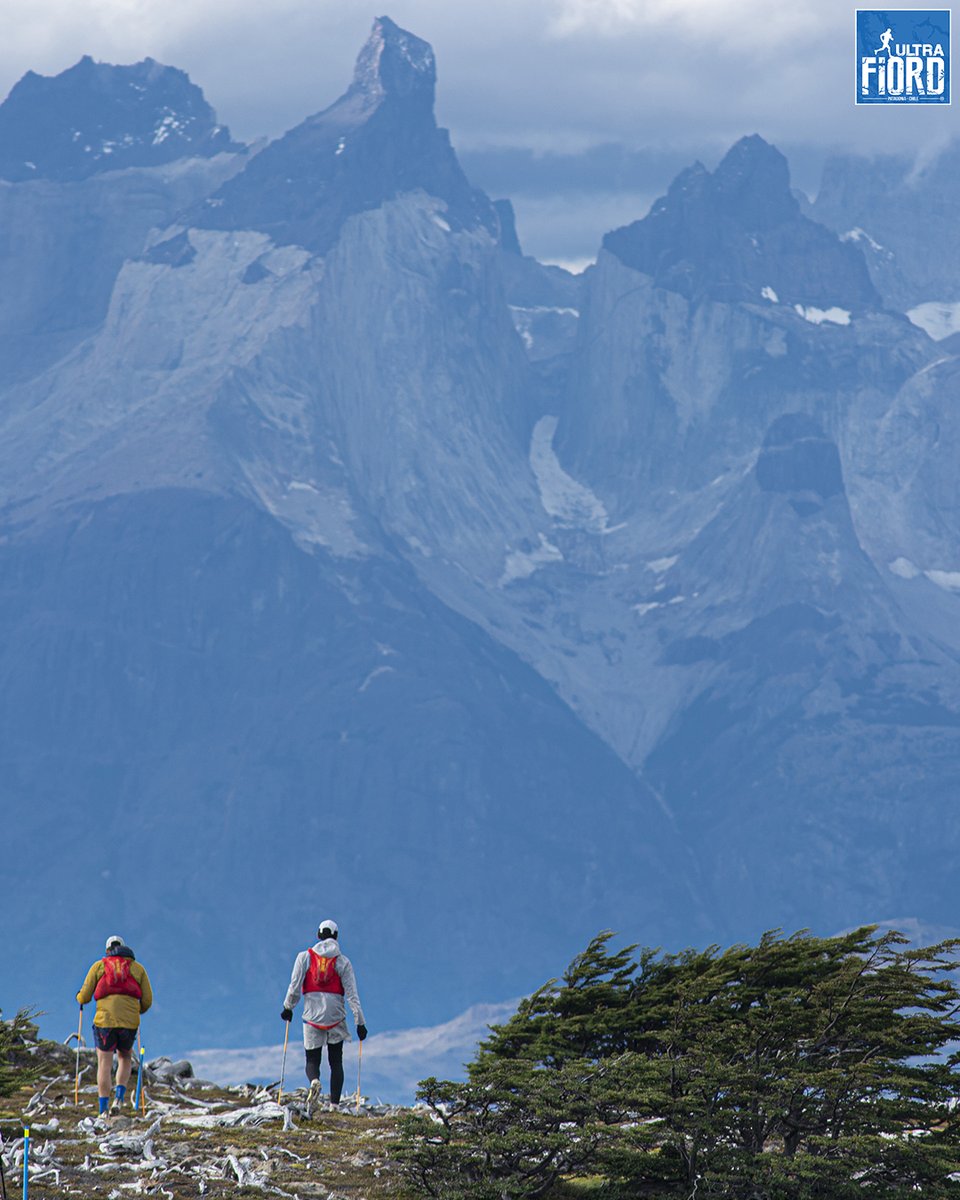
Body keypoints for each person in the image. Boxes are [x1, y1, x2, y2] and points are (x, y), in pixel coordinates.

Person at [281, 919, 367, 1105]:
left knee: (312, 1059)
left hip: (311, 1015)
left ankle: (314, 1081)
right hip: (336, 1016)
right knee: (336, 1061)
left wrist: (288, 1007)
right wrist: (360, 1022)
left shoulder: (304, 957)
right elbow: (352, 995)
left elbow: (294, 986)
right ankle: (334, 1105)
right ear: (336, 936)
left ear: (319, 935)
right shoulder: (343, 962)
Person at [76, 935, 153, 1116]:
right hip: (129, 1022)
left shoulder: (99, 966)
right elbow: (147, 1000)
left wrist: (79, 997)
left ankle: (103, 1110)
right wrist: (137, 1011)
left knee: (104, 1062)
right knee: (125, 1057)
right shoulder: (137, 969)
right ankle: (119, 1097)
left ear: (107, 950)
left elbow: (85, 996)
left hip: (105, 1022)